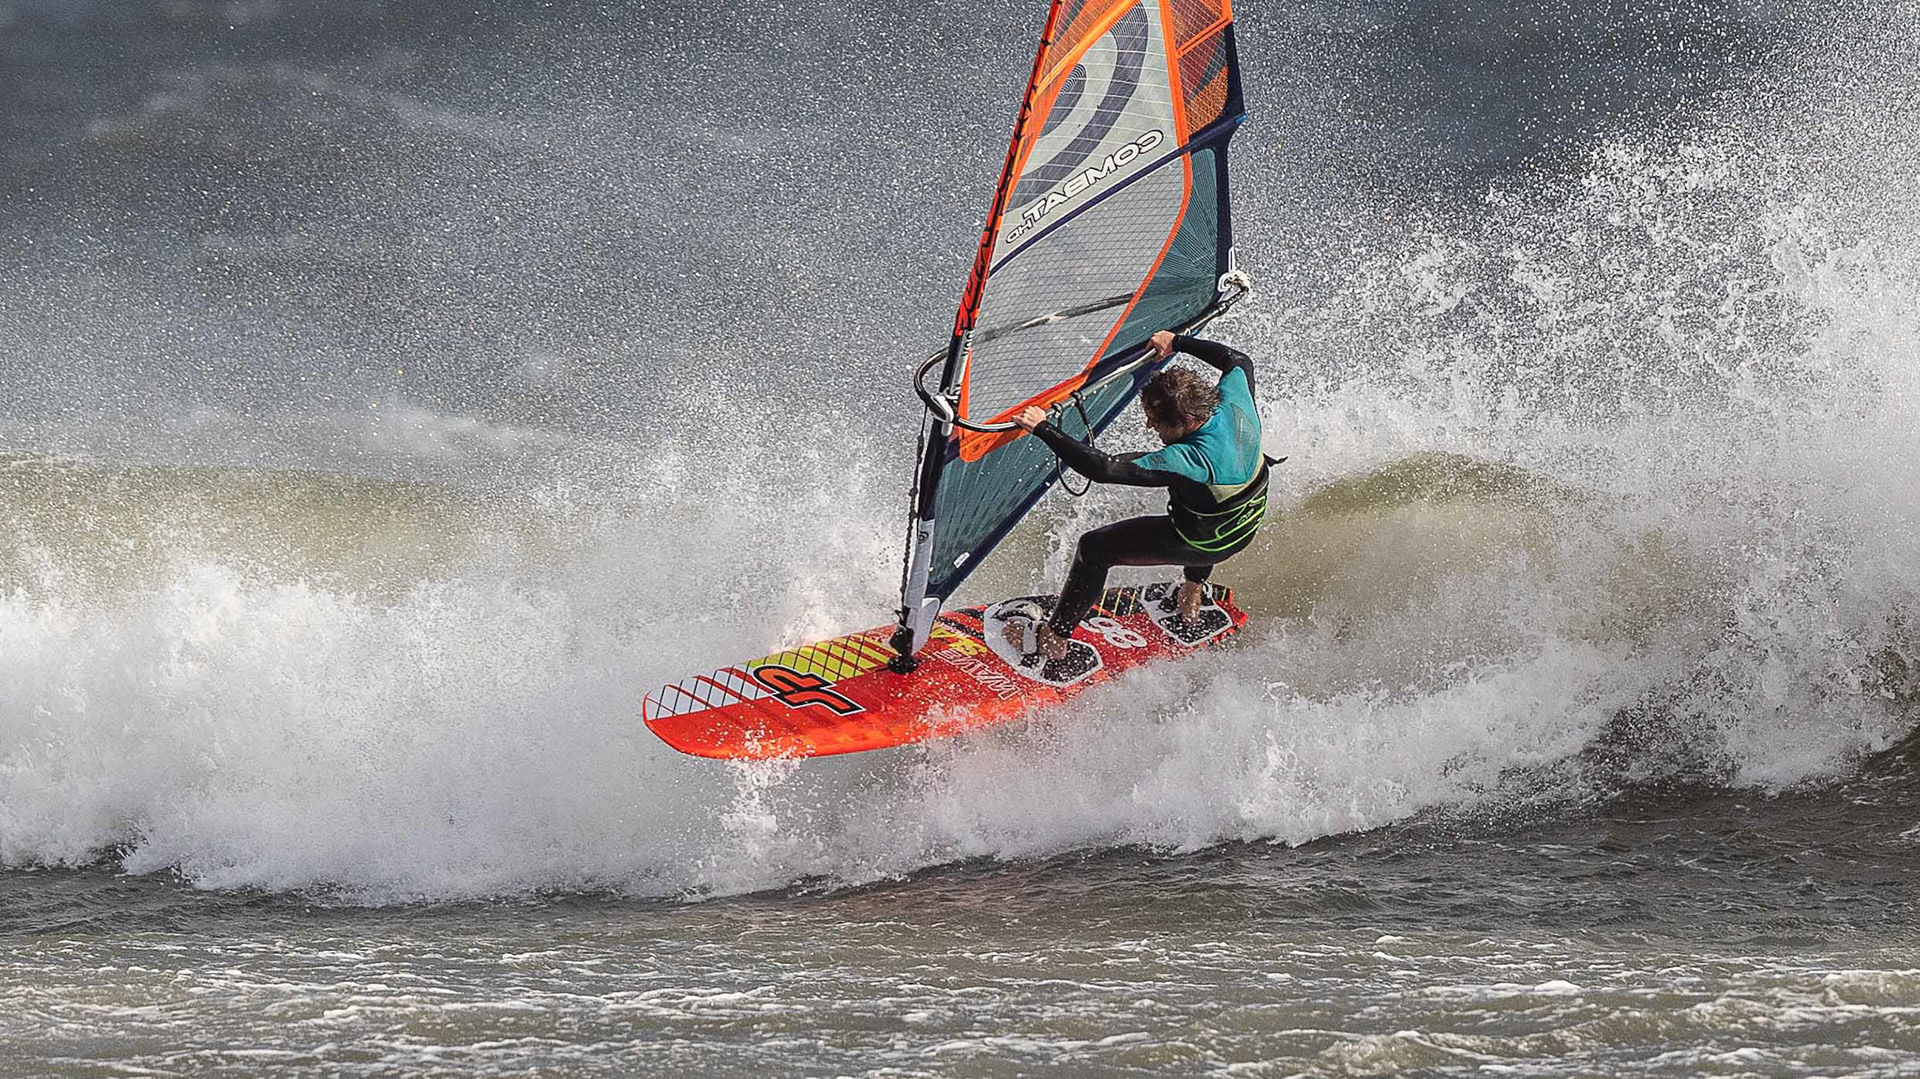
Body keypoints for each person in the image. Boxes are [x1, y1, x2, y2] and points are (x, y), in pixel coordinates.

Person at [1003, 328, 1272, 672]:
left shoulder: (1190, 460)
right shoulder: (1234, 398)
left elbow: (1103, 468)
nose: (1148, 425)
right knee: (1200, 504)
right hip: (1243, 525)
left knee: (1094, 549)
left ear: (1188, 420)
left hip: (1203, 542)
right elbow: (1236, 359)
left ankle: (1053, 640)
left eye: (1156, 421)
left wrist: (1043, 428)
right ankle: (1192, 591)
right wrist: (1177, 342)